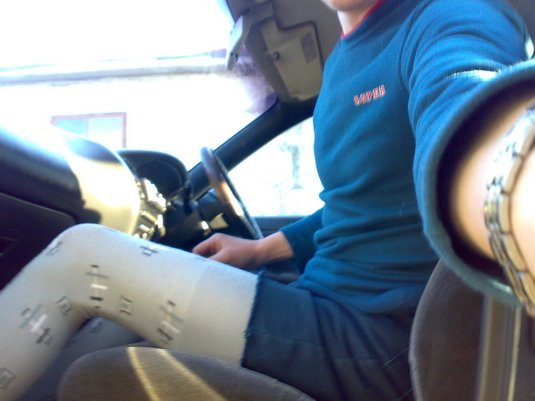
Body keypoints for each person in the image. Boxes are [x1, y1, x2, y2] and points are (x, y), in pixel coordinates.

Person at [1, 0, 535, 400]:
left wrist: (507, 187)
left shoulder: (450, 15)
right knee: (112, 326)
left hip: (380, 341)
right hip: (322, 302)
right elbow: (361, 202)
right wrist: (260, 250)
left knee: (86, 257)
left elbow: (467, 108)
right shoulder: (344, 60)